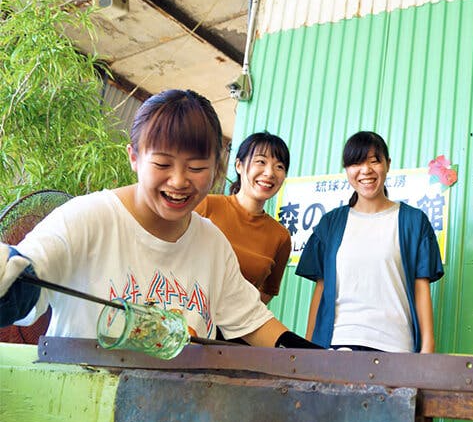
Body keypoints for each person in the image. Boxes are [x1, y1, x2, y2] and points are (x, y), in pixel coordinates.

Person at [0, 89, 318, 349]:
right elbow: (25, 280)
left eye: (196, 168)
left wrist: (321, 360)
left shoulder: (212, 243)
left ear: (216, 168)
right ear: (134, 157)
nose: (179, 181)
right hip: (79, 404)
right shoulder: (86, 218)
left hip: (177, 406)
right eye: (163, 164)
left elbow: (255, 323)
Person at [295, 131, 444, 353]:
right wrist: (308, 350)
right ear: (347, 169)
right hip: (339, 342)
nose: (365, 170)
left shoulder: (413, 221)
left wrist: (427, 348)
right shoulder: (331, 223)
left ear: (388, 164)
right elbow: (321, 288)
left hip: (395, 346)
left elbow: (421, 287)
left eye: (374, 161)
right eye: (356, 163)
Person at [195, 132, 292, 305]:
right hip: (180, 313)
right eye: (261, 162)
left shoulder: (281, 237)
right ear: (239, 165)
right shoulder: (206, 205)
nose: (270, 173)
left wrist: (238, 313)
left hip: (232, 321)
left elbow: (267, 292)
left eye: (279, 166)